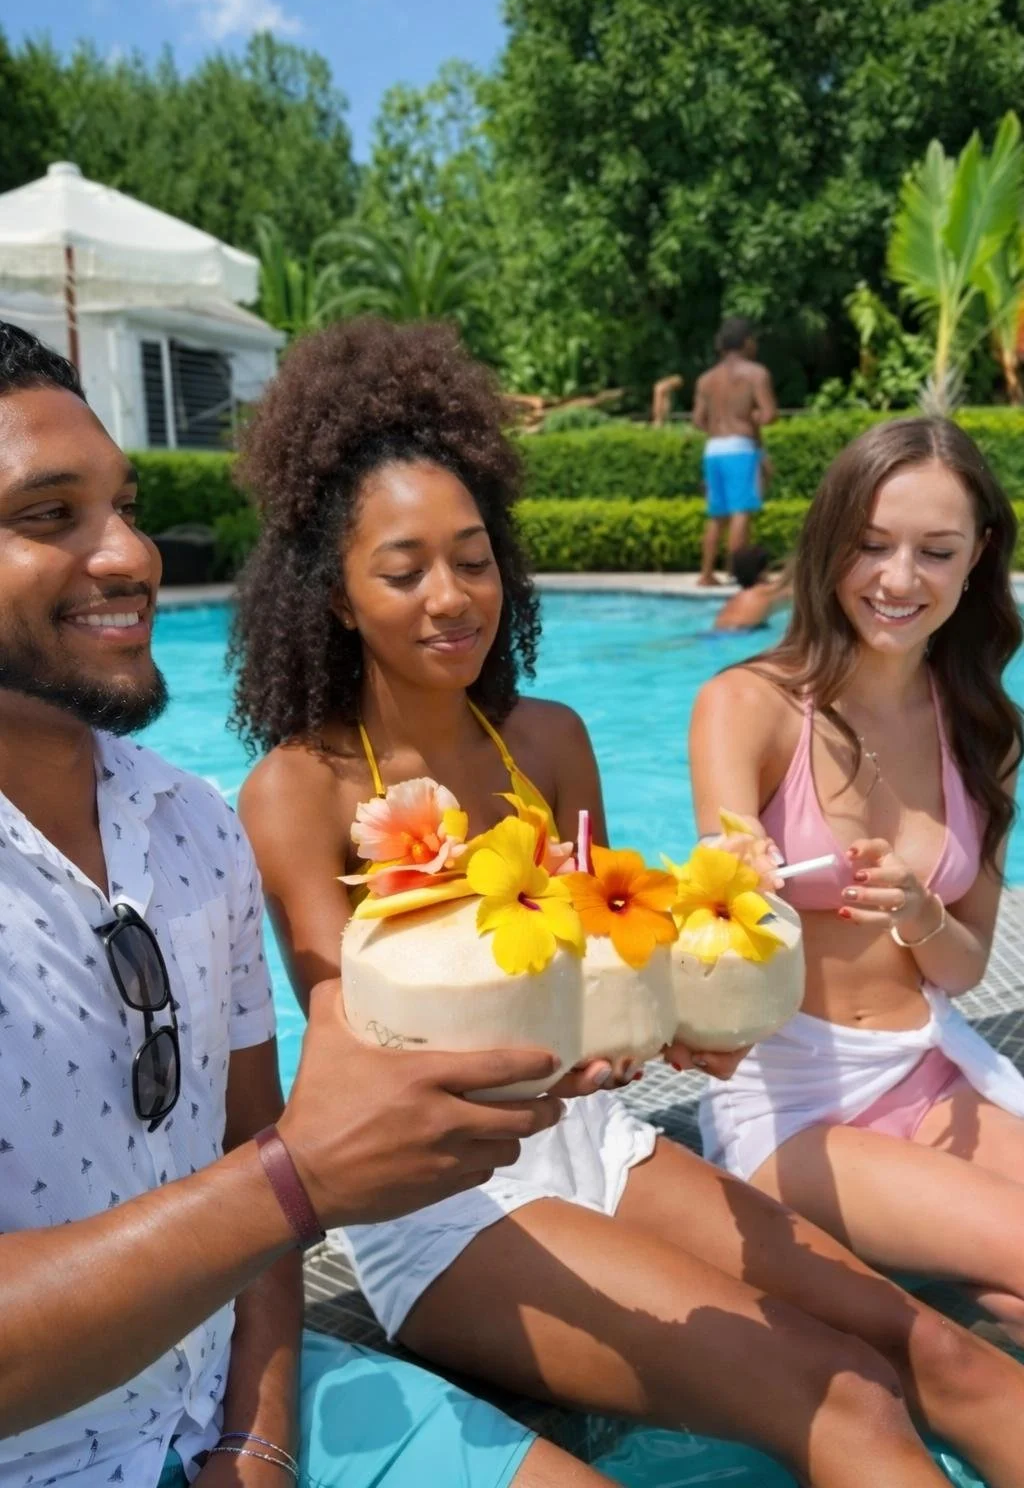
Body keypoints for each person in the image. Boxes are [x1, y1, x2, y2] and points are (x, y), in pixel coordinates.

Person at [235, 316, 1024, 1488]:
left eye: (475, 558)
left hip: (593, 1142)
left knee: (944, 1360)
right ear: (338, 596)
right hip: (442, 1199)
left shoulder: (547, 742)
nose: (452, 597)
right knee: (843, 1398)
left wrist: (687, 1018)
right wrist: (575, 1058)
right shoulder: (297, 791)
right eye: (404, 571)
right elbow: (359, 1055)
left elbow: (618, 973)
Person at [0, 320, 607, 1488]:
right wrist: (298, 1178)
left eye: (121, 507)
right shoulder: (289, 793)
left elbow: (246, 1155)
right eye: (48, 517)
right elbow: (281, 1173)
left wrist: (260, 1438)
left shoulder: (188, 827)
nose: (130, 554)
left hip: (243, 1396)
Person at [690, 417, 1024, 1356]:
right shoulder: (747, 705)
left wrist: (922, 913)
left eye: (935, 551)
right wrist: (741, 878)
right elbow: (721, 912)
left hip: (928, 1068)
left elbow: (963, 970)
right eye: (872, 545)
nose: (898, 579)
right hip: (791, 1102)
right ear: (832, 542)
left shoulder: (986, 734)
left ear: (978, 557)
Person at [692, 318, 778, 586]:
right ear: (746, 342)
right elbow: (769, 415)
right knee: (741, 511)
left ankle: (706, 574)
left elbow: (698, 420)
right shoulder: (756, 374)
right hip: (740, 447)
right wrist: (751, 416)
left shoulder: (706, 379)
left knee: (716, 514)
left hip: (713, 449)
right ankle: (737, 574)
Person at [713, 547, 792, 632]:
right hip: (743, 633)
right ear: (762, 573)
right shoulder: (766, 592)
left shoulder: (737, 598)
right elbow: (796, 591)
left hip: (715, 633)